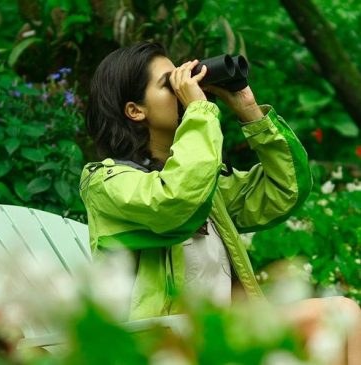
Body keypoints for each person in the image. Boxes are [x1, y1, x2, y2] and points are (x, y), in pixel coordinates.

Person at [80, 41, 361, 364]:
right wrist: (199, 112)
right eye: (169, 84)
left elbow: (286, 189)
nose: (184, 89)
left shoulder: (207, 186)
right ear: (135, 110)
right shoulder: (106, 182)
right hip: (163, 345)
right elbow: (175, 200)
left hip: (224, 336)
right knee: (337, 313)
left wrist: (249, 110)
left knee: (342, 315)